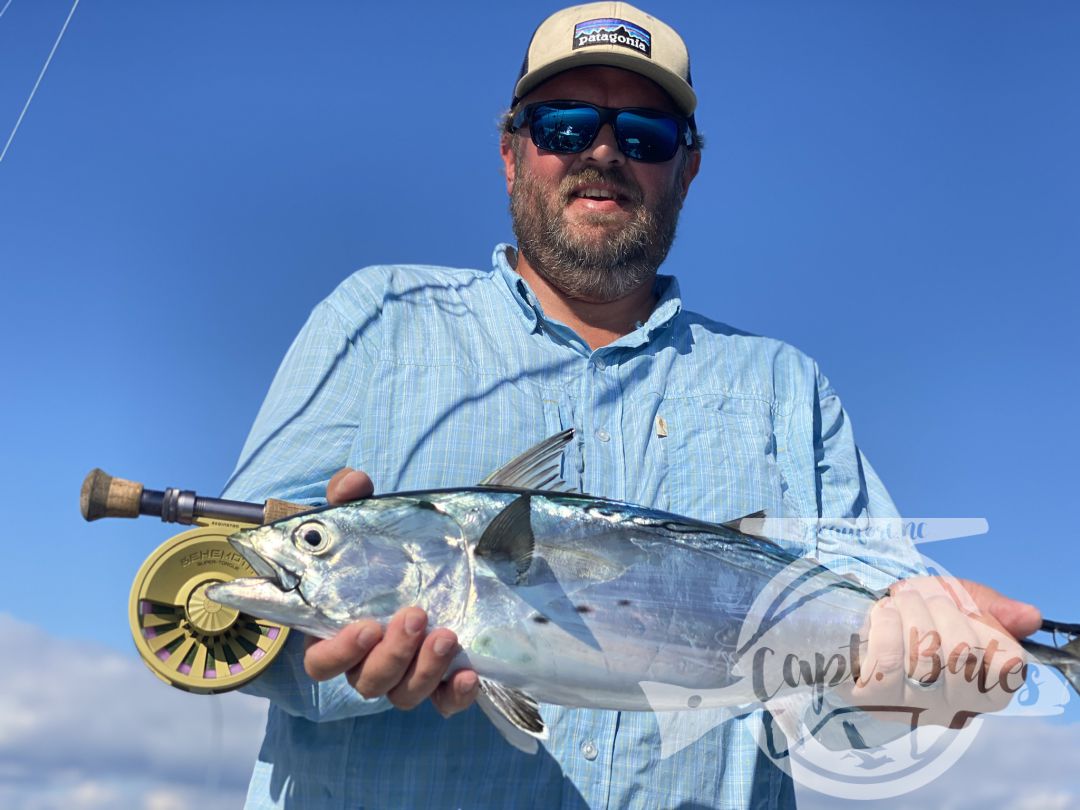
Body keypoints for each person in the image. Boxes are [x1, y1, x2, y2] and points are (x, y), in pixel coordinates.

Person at [222, 4, 1041, 807]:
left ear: (686, 168)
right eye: (566, 126)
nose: (605, 152)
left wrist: (915, 686)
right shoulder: (377, 320)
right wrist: (326, 658)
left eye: (644, 136)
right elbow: (211, 606)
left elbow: (840, 719)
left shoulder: (789, 391)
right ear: (512, 152)